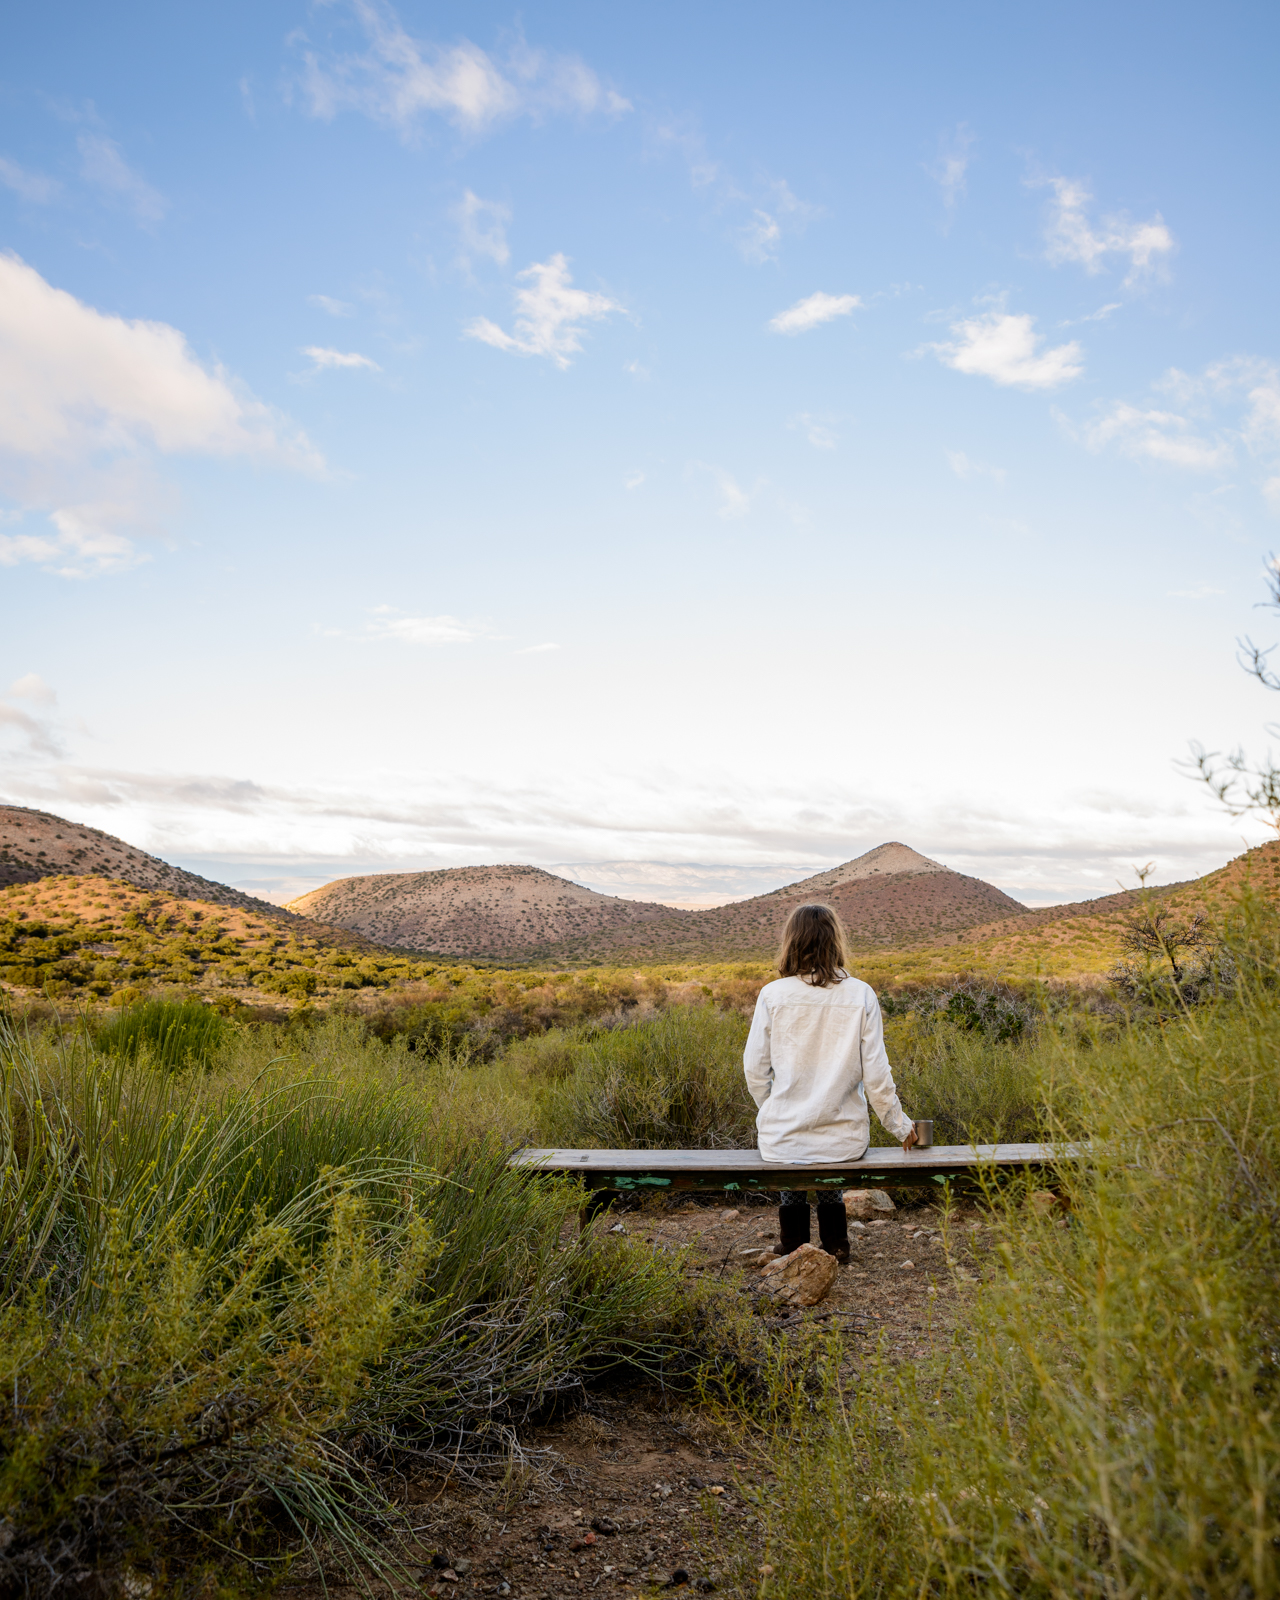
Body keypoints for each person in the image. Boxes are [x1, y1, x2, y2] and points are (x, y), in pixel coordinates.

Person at [743, 902, 918, 1264]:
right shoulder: (860, 994)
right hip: (844, 1140)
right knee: (831, 1169)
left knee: (794, 1169)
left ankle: (792, 1243)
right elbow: (877, 1075)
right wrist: (900, 1127)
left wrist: (777, 1110)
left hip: (783, 1139)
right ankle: (837, 1244)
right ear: (835, 940)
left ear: (791, 941)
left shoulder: (773, 995)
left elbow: (754, 1070)